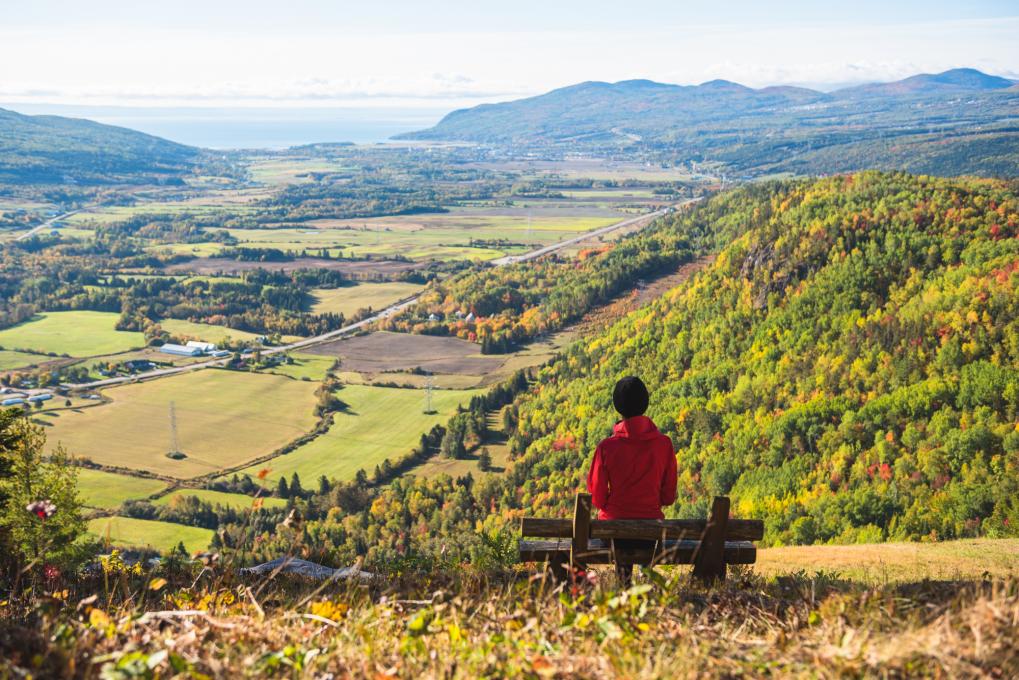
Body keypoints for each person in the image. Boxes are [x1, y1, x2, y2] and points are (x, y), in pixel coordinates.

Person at [586, 376, 677, 583]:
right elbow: (668, 496)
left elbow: (597, 499)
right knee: (645, 542)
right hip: (650, 530)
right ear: (645, 403)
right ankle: (645, 583)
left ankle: (623, 587)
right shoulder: (664, 445)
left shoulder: (606, 448)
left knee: (618, 540)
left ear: (617, 406)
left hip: (613, 532)